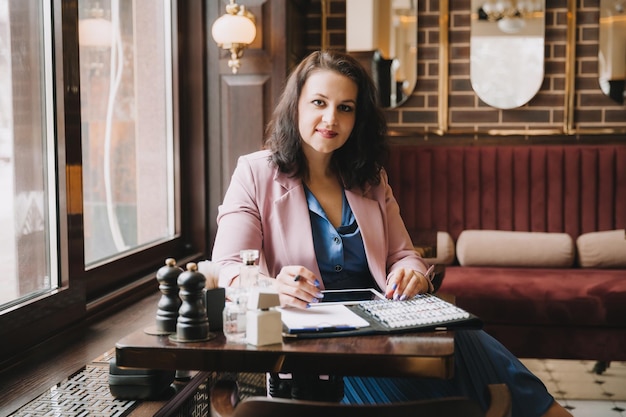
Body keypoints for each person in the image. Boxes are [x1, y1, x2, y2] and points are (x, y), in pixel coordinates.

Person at [210, 49, 572, 417]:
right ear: (295, 106)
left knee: (468, 341)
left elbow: (403, 253)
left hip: (385, 329)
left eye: (346, 108)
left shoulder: (370, 177)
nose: (330, 119)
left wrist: (411, 273)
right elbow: (227, 267)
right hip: (313, 348)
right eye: (319, 102)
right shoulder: (254, 174)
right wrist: (272, 287)